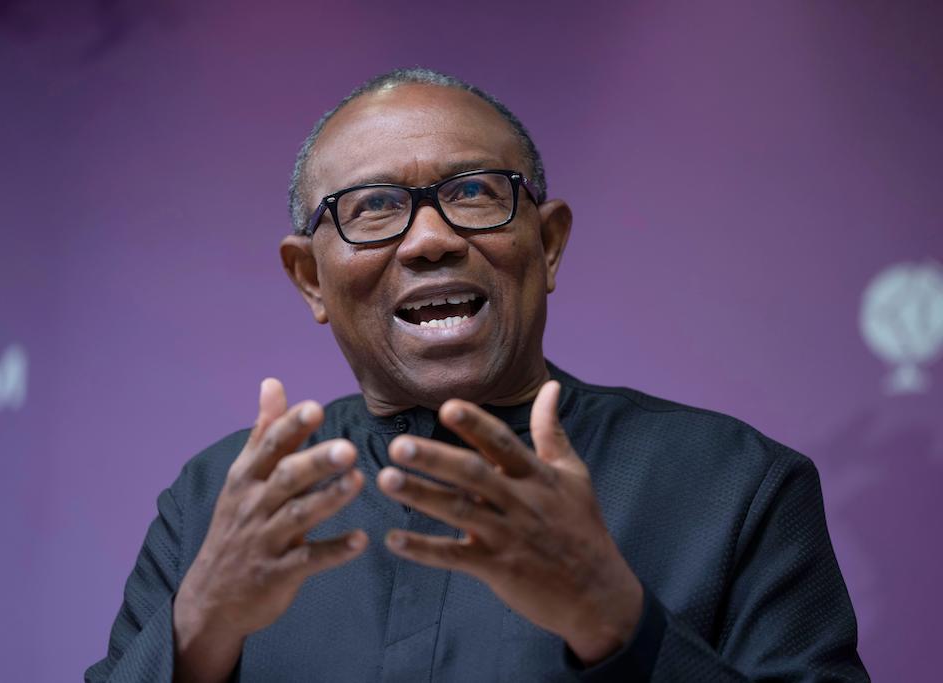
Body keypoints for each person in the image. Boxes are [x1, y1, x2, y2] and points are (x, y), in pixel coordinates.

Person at [86, 69, 868, 682]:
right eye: (373, 207)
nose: (430, 239)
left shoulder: (734, 486)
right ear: (310, 280)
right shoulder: (216, 504)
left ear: (549, 243)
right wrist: (196, 633)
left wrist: (621, 627)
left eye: (473, 193)